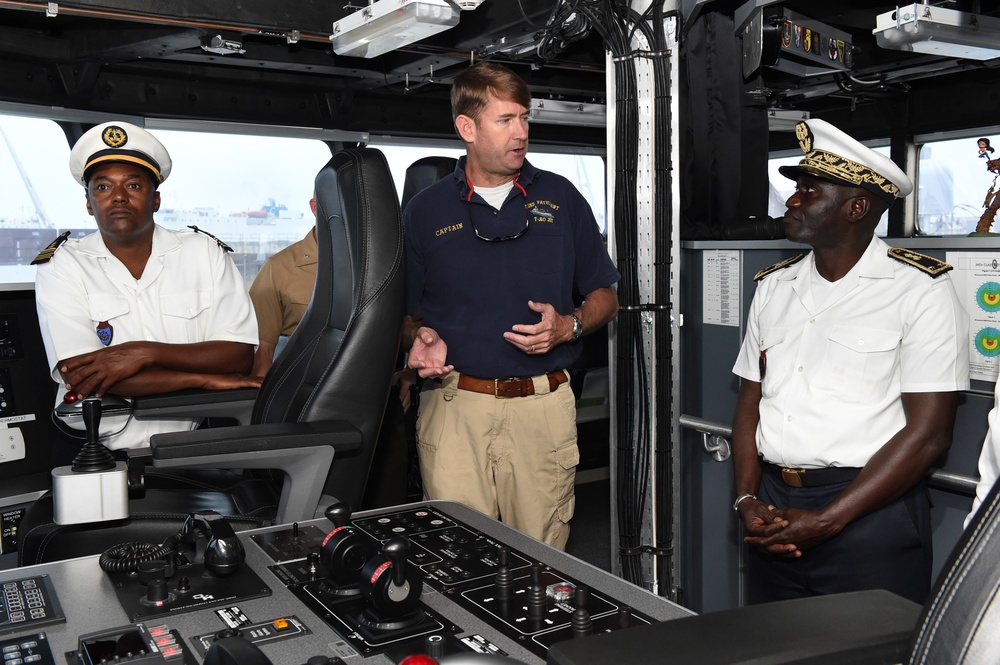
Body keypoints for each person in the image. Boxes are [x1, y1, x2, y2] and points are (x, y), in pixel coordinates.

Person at [731, 118, 970, 604]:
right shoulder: (773, 288)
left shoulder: (920, 291)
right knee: (770, 648)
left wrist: (828, 519)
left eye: (809, 192)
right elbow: (749, 402)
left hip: (869, 512)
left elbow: (928, 435)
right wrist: (745, 497)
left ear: (856, 207)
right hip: (773, 507)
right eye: (796, 190)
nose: (792, 201)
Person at [402, 61, 620, 550]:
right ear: (467, 128)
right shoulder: (426, 210)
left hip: (542, 409)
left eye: (524, 118)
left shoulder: (561, 199)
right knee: (458, 557)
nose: (521, 132)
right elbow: (404, 317)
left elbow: (606, 296)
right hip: (457, 408)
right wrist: (419, 339)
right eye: (505, 120)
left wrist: (571, 326)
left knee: (542, 561)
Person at [34, 121, 261, 450]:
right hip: (94, 446)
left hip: (193, 443)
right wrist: (202, 377)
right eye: (103, 187)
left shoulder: (204, 253)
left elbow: (237, 356)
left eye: (134, 186)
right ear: (88, 203)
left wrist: (143, 353)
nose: (119, 197)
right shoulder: (62, 265)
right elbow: (85, 377)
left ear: (155, 200)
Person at [248, 195, 319, 378]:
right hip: (299, 383)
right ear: (315, 207)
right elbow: (263, 353)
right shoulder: (278, 268)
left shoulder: (373, 267)